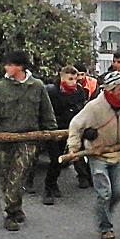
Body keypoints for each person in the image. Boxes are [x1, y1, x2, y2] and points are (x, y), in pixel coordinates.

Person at [0, 50, 57, 232]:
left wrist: (51, 133)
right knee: (5, 177)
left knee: (18, 175)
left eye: (10, 64)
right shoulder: (0, 87)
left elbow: (47, 112)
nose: (6, 67)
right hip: (4, 139)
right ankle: (16, 207)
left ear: (20, 67)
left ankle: (10, 214)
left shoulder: (37, 86)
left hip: (29, 140)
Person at [67, 71, 120, 239]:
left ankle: (103, 212)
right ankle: (106, 227)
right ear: (110, 90)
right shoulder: (94, 107)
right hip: (98, 154)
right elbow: (75, 125)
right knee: (104, 193)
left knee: (119, 192)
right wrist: (73, 149)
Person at [43, 65, 91, 203]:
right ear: (62, 78)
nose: (73, 82)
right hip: (53, 129)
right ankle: (49, 187)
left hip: (70, 129)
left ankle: (56, 183)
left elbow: (81, 110)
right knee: (55, 159)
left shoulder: (79, 91)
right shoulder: (51, 92)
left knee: (65, 158)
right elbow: (46, 111)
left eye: (75, 79)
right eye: (70, 79)